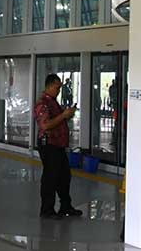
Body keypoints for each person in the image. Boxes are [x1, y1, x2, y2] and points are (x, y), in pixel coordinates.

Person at [34, 74, 82, 219]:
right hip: (49, 144)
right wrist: (63, 115)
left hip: (58, 144)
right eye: (57, 87)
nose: (59, 90)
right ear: (49, 86)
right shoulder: (43, 103)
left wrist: (67, 115)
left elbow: (58, 120)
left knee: (64, 176)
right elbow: (45, 125)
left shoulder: (53, 102)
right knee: (51, 176)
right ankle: (47, 209)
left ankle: (65, 206)